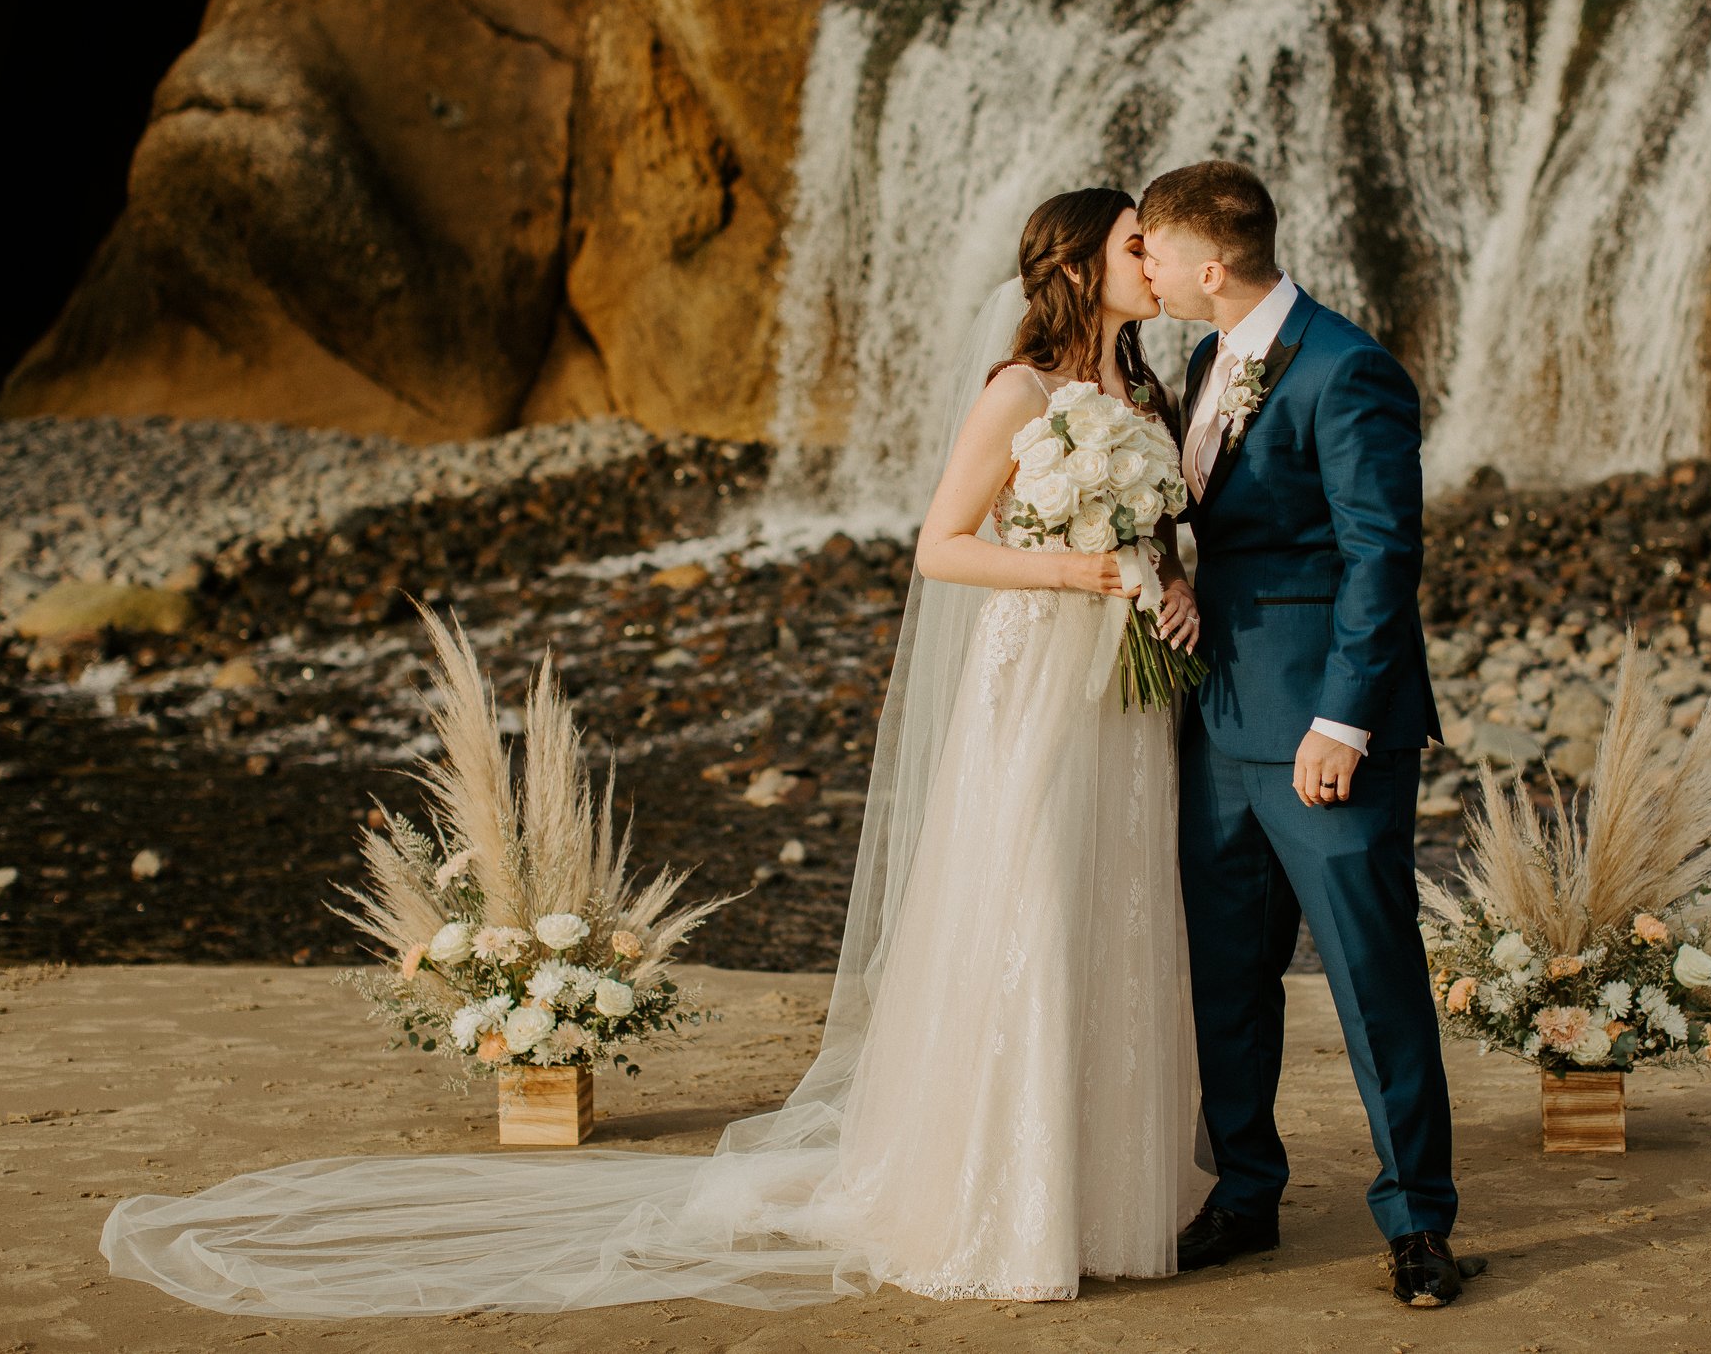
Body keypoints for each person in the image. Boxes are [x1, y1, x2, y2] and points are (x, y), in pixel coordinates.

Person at [97, 187, 1213, 1314]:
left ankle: (1100, 1196)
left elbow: (1156, 535)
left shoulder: (1148, 390)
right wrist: (1079, 571)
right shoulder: (1017, 392)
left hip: (1115, 695)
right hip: (1028, 682)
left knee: (1111, 903)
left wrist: (1167, 585)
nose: (1151, 259)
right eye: (1133, 244)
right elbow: (940, 548)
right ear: (1078, 262)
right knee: (1027, 905)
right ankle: (1000, 1201)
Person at [1137, 160, 1483, 1310]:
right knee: (1227, 977)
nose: (1146, 268)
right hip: (1220, 717)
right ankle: (1246, 1192)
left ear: (1210, 264)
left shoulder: (1348, 369)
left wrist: (1343, 718)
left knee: (1369, 975)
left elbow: (1381, 553)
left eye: (1156, 250)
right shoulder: (1203, 359)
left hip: (1326, 733)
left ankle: (1418, 1220)